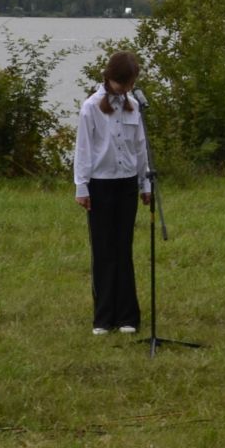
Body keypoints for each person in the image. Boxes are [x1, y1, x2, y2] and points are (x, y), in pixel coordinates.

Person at [73, 50, 151, 334]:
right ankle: (104, 317)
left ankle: (128, 316)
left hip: (127, 182)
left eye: (129, 84)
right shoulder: (91, 107)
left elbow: (140, 147)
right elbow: (83, 148)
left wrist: (146, 184)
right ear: (109, 78)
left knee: (123, 248)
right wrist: (82, 186)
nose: (126, 89)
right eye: (122, 84)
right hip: (101, 183)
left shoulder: (133, 105)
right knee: (104, 250)